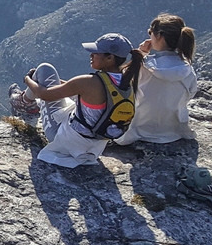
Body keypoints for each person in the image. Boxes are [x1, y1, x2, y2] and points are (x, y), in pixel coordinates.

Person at [17, 33, 143, 167]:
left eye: (95, 52)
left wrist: (28, 79)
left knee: (45, 69)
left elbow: (44, 94)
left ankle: (23, 102)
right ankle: (26, 101)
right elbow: (81, 92)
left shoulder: (88, 82)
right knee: (59, 89)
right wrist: (63, 85)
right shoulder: (127, 82)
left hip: (65, 142)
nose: (91, 55)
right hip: (95, 147)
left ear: (110, 58)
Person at [114, 14, 197, 145]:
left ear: (158, 36)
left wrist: (141, 54)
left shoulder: (145, 65)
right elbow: (190, 94)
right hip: (173, 131)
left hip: (140, 129)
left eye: (150, 33)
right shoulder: (187, 69)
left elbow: (122, 86)